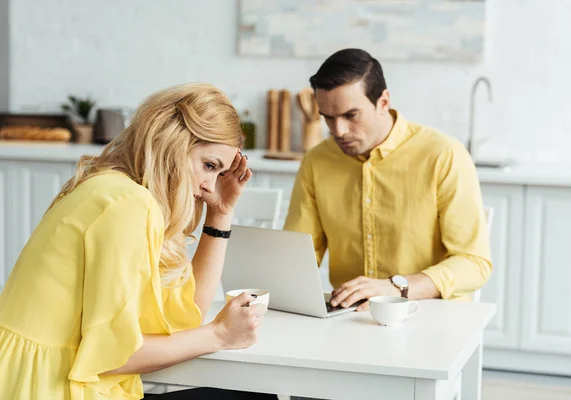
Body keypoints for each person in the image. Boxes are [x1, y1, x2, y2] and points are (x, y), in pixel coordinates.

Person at [0, 83, 277, 399]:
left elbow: (186, 317)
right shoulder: (127, 203)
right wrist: (220, 335)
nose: (208, 187)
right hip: (47, 388)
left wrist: (220, 214)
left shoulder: (117, 189)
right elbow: (116, 357)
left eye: (219, 174)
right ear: (172, 141)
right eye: (209, 166)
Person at [284, 49, 492, 309]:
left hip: (432, 315)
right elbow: (297, 256)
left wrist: (397, 287)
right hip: (349, 318)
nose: (338, 131)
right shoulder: (317, 160)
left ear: (383, 102)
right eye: (328, 117)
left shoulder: (444, 155)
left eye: (351, 115)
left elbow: (474, 263)